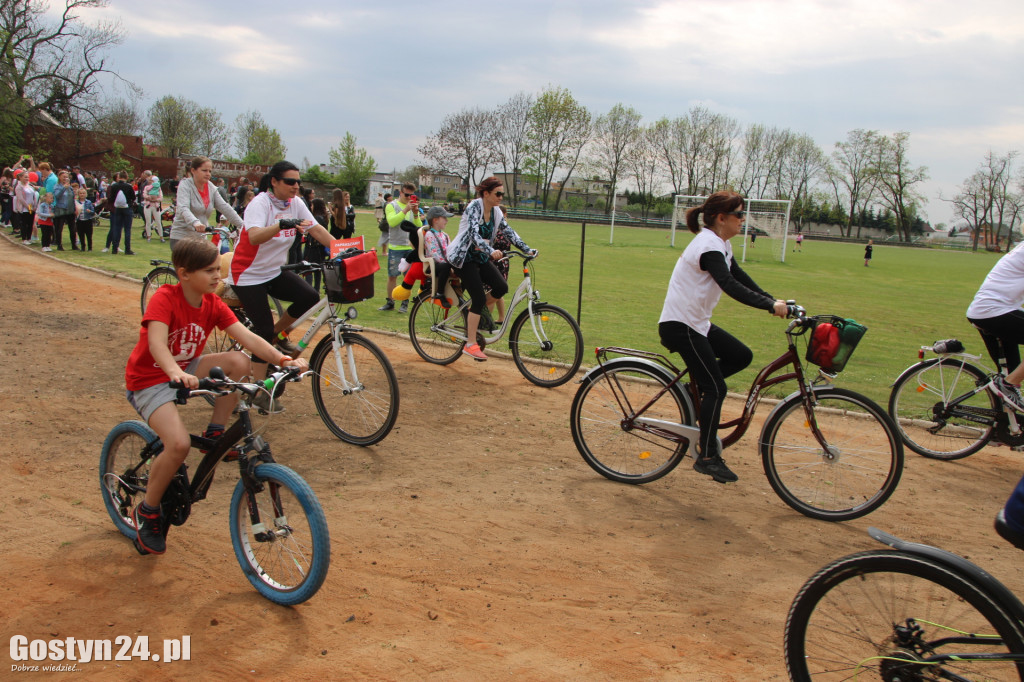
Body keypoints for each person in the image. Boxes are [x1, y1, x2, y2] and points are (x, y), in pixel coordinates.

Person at [124, 238, 306, 554]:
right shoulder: (165, 298)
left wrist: (284, 360)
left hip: (185, 367)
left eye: (217, 270)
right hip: (151, 379)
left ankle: (215, 432)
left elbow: (248, 337)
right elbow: (156, 343)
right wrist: (174, 372)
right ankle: (148, 511)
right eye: (209, 271)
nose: (217, 277)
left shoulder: (212, 303)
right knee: (178, 444)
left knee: (240, 362)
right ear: (183, 274)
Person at [658, 190, 788, 483]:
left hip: (696, 323)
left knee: (741, 356)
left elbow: (740, 277)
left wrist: (773, 300)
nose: (744, 220)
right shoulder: (708, 244)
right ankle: (707, 457)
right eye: (739, 214)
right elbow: (728, 284)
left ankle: (698, 391)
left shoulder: (721, 245)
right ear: (721, 218)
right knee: (716, 388)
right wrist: (769, 306)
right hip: (681, 325)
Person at [228, 160, 334, 409]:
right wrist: (280, 225)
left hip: (273, 271)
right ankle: (258, 391)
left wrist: (344, 249)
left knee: (309, 296)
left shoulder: (296, 203)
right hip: (248, 273)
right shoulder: (260, 203)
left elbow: (316, 229)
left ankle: (277, 334)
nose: (296, 186)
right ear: (274, 182)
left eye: (298, 181)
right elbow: (253, 236)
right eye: (290, 181)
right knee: (261, 330)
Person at [446, 176, 534, 361]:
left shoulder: (496, 212)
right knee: (478, 297)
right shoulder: (473, 207)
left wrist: (526, 248)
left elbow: (508, 231)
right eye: (498, 193)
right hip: (462, 258)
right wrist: (491, 250)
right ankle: (470, 344)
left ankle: (474, 312)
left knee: (501, 287)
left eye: (502, 193)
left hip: (479, 257)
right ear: (486, 193)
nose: (501, 197)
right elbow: (473, 235)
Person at [170, 157, 244, 249]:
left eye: (210, 171)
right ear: (193, 170)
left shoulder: (211, 188)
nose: (208, 174)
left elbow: (225, 208)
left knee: (211, 261)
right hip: (182, 237)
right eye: (204, 170)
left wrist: (243, 226)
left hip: (200, 237)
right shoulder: (185, 185)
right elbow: (183, 208)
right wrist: (196, 223)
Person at [379, 184, 422, 313]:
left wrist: (415, 214)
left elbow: (418, 226)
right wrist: (405, 210)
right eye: (406, 195)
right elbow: (392, 222)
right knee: (392, 276)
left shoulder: (412, 207)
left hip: (409, 246)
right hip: (395, 246)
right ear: (400, 193)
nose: (409, 198)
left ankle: (405, 303)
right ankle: (390, 302)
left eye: (412, 195)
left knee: (408, 276)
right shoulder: (391, 205)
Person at [105, 170, 137, 255]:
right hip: (127, 208)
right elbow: (133, 197)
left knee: (117, 228)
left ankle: (114, 249)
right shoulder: (129, 186)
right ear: (126, 177)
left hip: (118, 208)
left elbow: (111, 198)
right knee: (127, 229)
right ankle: (127, 249)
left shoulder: (114, 186)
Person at [303, 198, 329, 292]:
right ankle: (316, 289)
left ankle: (308, 288)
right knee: (318, 269)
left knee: (309, 268)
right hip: (320, 247)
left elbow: (315, 232)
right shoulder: (324, 217)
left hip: (314, 247)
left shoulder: (317, 218)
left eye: (312, 205)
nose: (311, 207)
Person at [51, 171, 76, 250]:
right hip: (61, 209)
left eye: (67, 177)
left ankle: (74, 245)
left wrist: (74, 208)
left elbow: (72, 198)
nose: (65, 178)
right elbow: (57, 196)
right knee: (59, 228)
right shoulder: (57, 186)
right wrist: (63, 188)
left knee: (73, 229)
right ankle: (59, 245)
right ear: (59, 177)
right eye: (63, 177)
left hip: (70, 210)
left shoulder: (70, 187)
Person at [13, 169, 36, 245]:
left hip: (31, 207)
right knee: (24, 223)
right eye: (25, 177)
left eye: (27, 177)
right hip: (24, 208)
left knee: (30, 223)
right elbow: (21, 199)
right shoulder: (19, 187)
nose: (27, 179)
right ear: (20, 178)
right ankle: (24, 238)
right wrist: (29, 207)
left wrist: (34, 206)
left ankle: (29, 238)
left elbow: (34, 195)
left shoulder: (29, 186)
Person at [74, 187, 96, 251]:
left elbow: (93, 212)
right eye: (80, 193)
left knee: (89, 235)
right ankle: (83, 247)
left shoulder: (88, 202)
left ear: (85, 194)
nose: (82, 195)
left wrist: (90, 211)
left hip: (88, 220)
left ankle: (90, 248)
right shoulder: (76, 202)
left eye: (83, 193)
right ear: (78, 194)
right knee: (81, 235)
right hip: (80, 221)